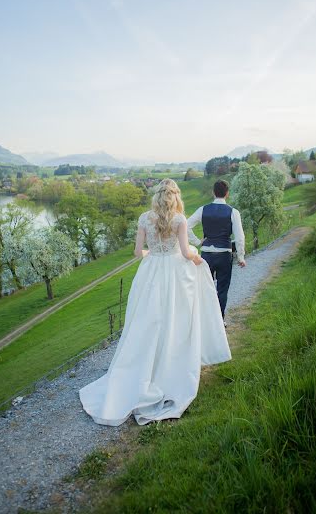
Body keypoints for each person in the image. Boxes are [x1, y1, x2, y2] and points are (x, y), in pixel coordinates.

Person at [79, 179, 231, 427]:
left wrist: (153, 255)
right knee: (174, 318)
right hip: (173, 274)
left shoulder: (144, 218)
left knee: (147, 321)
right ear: (175, 197)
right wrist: (196, 258)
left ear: (157, 196)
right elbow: (184, 252)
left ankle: (143, 368)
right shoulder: (179, 220)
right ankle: (171, 363)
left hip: (150, 273)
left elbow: (138, 252)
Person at [187, 179, 246, 322]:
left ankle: (204, 321)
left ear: (213, 193)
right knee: (222, 289)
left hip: (206, 254)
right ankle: (219, 320)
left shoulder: (203, 209)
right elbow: (239, 236)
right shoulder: (233, 212)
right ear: (227, 194)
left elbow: (186, 226)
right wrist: (241, 256)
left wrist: (197, 242)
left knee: (205, 288)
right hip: (224, 255)